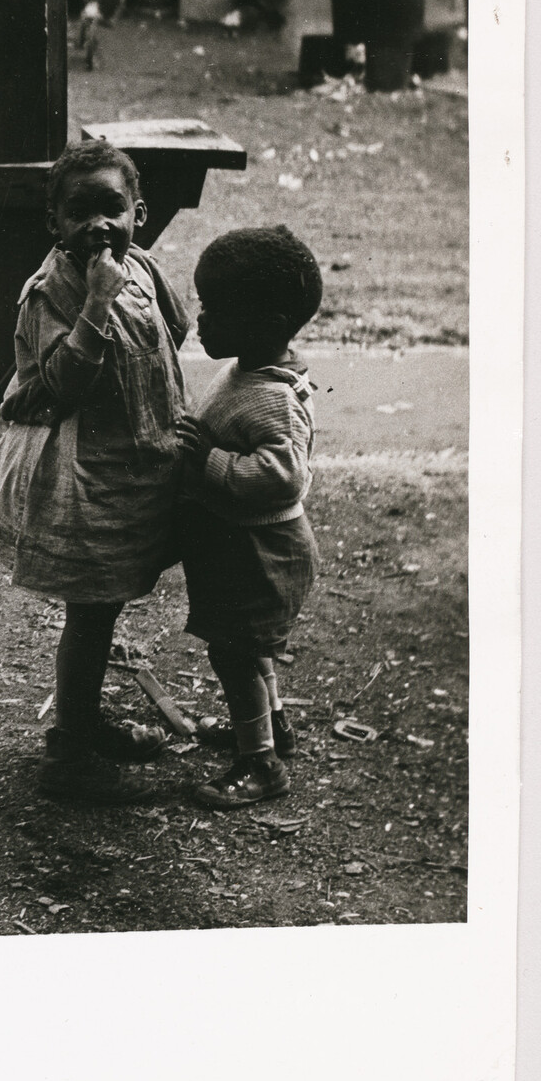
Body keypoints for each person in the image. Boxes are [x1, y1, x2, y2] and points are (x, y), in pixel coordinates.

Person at [0, 140, 189, 802]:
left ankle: (87, 721)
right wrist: (95, 306)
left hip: (137, 460)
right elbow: (63, 382)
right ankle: (70, 747)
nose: (98, 223)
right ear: (54, 223)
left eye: (111, 207)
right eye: (79, 211)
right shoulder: (50, 294)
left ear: (138, 212)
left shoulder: (140, 266)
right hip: (83, 474)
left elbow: (171, 327)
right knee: (91, 612)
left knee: (111, 600)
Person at [176, 227, 325, 810]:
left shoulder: (274, 397)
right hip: (239, 547)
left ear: (266, 323)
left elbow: (283, 475)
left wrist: (208, 459)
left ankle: (259, 763)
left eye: (216, 308)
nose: (203, 320)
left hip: (260, 552)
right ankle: (268, 727)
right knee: (247, 649)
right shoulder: (251, 370)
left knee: (235, 653)